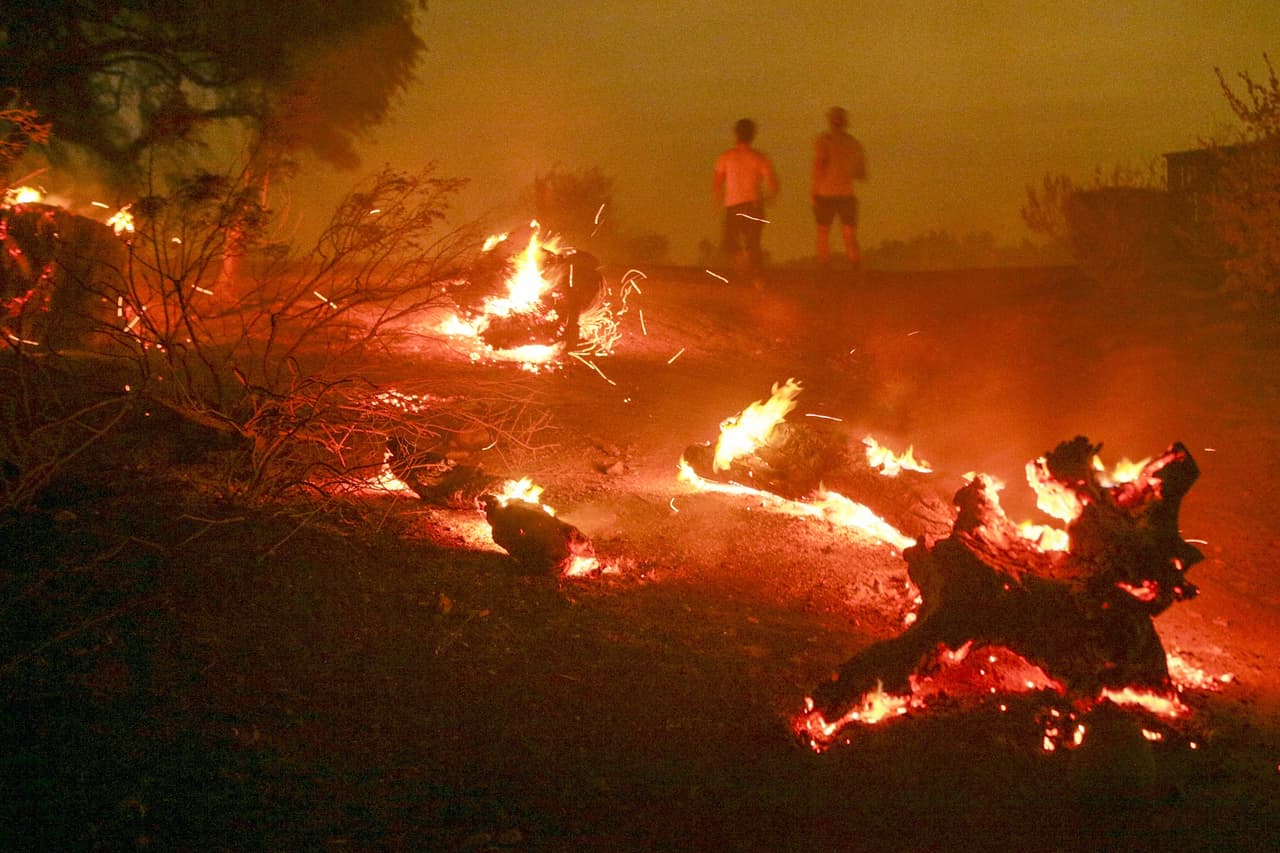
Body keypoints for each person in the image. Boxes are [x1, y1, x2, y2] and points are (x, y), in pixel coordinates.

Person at [712, 118, 779, 281]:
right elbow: (773, 183)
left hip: (733, 206)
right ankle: (758, 278)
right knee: (754, 243)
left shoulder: (726, 157)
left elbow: (717, 183)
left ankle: (742, 264)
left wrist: (715, 201)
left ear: (736, 134)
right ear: (753, 135)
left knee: (729, 242)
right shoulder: (759, 157)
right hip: (754, 205)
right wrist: (769, 197)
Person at [811, 106, 867, 269]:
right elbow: (861, 173)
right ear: (845, 122)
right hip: (846, 194)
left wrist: (813, 190)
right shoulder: (854, 143)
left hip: (825, 193)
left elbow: (819, 165)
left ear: (830, 121)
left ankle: (824, 266)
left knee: (823, 232)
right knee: (849, 234)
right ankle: (855, 265)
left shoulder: (824, 140)